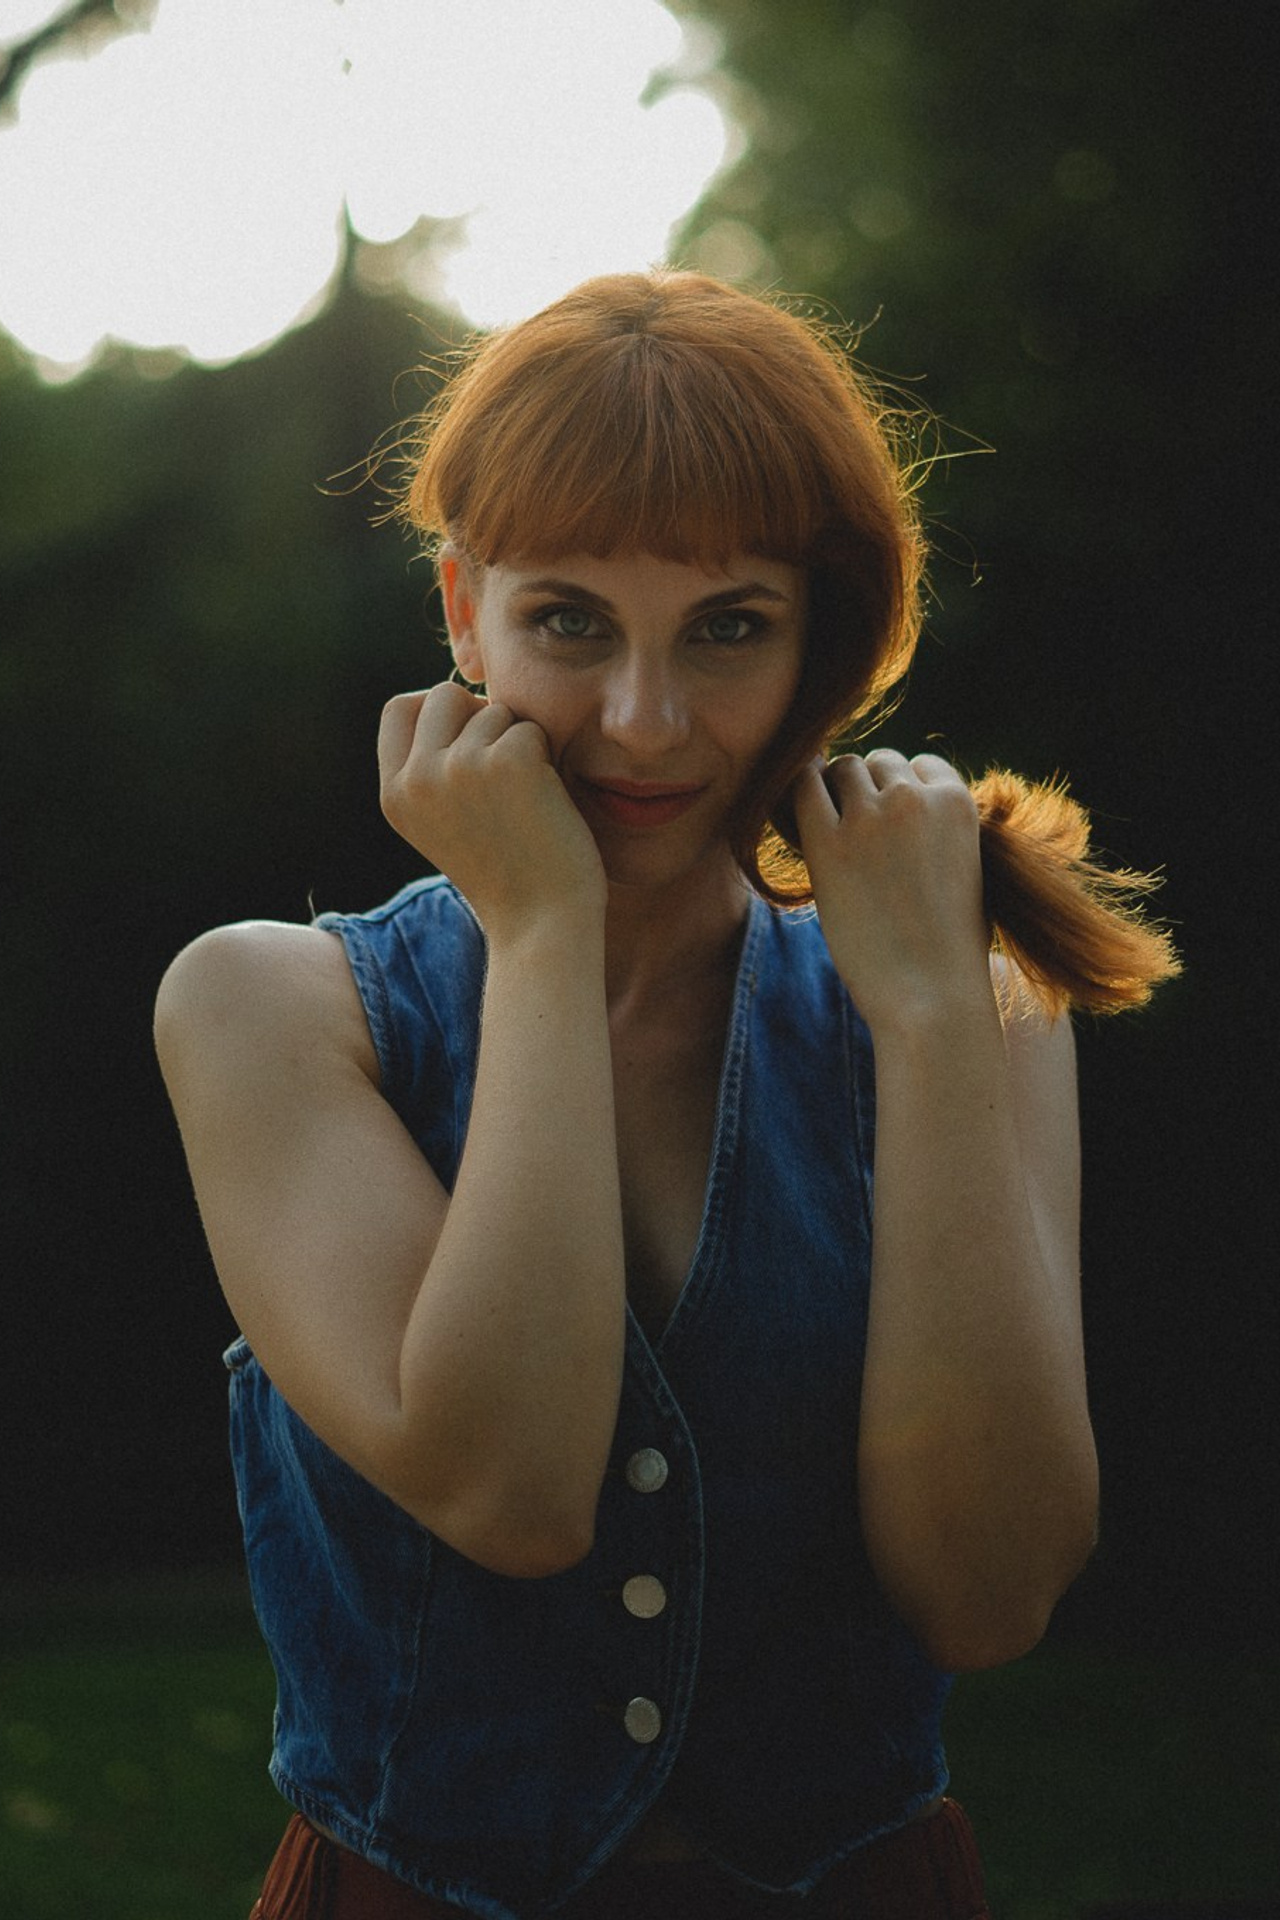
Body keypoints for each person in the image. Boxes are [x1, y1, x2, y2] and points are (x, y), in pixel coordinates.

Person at [154, 270, 1178, 1920]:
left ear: (817, 638)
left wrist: (923, 1025)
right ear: (462, 613)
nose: (644, 722)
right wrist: (545, 934)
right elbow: (516, 1489)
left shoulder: (969, 1007)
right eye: (570, 621)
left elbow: (989, 1598)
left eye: (728, 627)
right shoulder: (268, 1005)